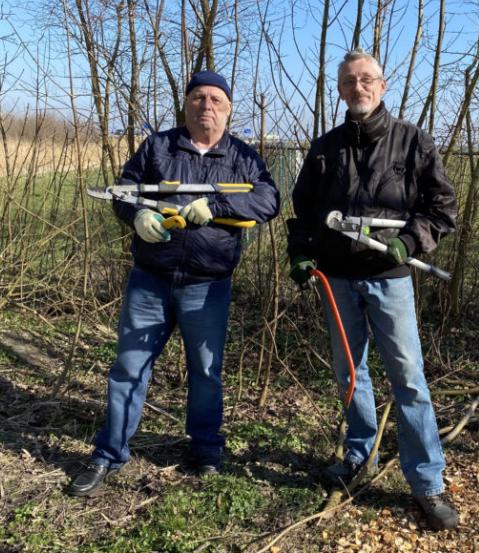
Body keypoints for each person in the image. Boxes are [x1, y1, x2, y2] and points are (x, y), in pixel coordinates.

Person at [68, 71, 280, 497]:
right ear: (186, 104)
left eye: (216, 99)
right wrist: (136, 216)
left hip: (209, 285)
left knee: (205, 372)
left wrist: (216, 205)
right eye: (198, 97)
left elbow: (268, 200)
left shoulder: (242, 156)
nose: (207, 106)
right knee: (128, 369)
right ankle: (108, 455)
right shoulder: (158, 146)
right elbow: (125, 190)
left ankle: (205, 453)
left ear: (228, 108)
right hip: (150, 280)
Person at [286, 49, 459, 530]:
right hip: (336, 281)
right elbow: (302, 212)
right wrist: (300, 253)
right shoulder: (324, 149)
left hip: (390, 281)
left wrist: (410, 241)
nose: (358, 87)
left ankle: (427, 482)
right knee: (350, 374)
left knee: (408, 380)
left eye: (366, 79)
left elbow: (443, 209)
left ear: (382, 86)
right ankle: (359, 457)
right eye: (349, 81)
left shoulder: (413, 143)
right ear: (340, 90)